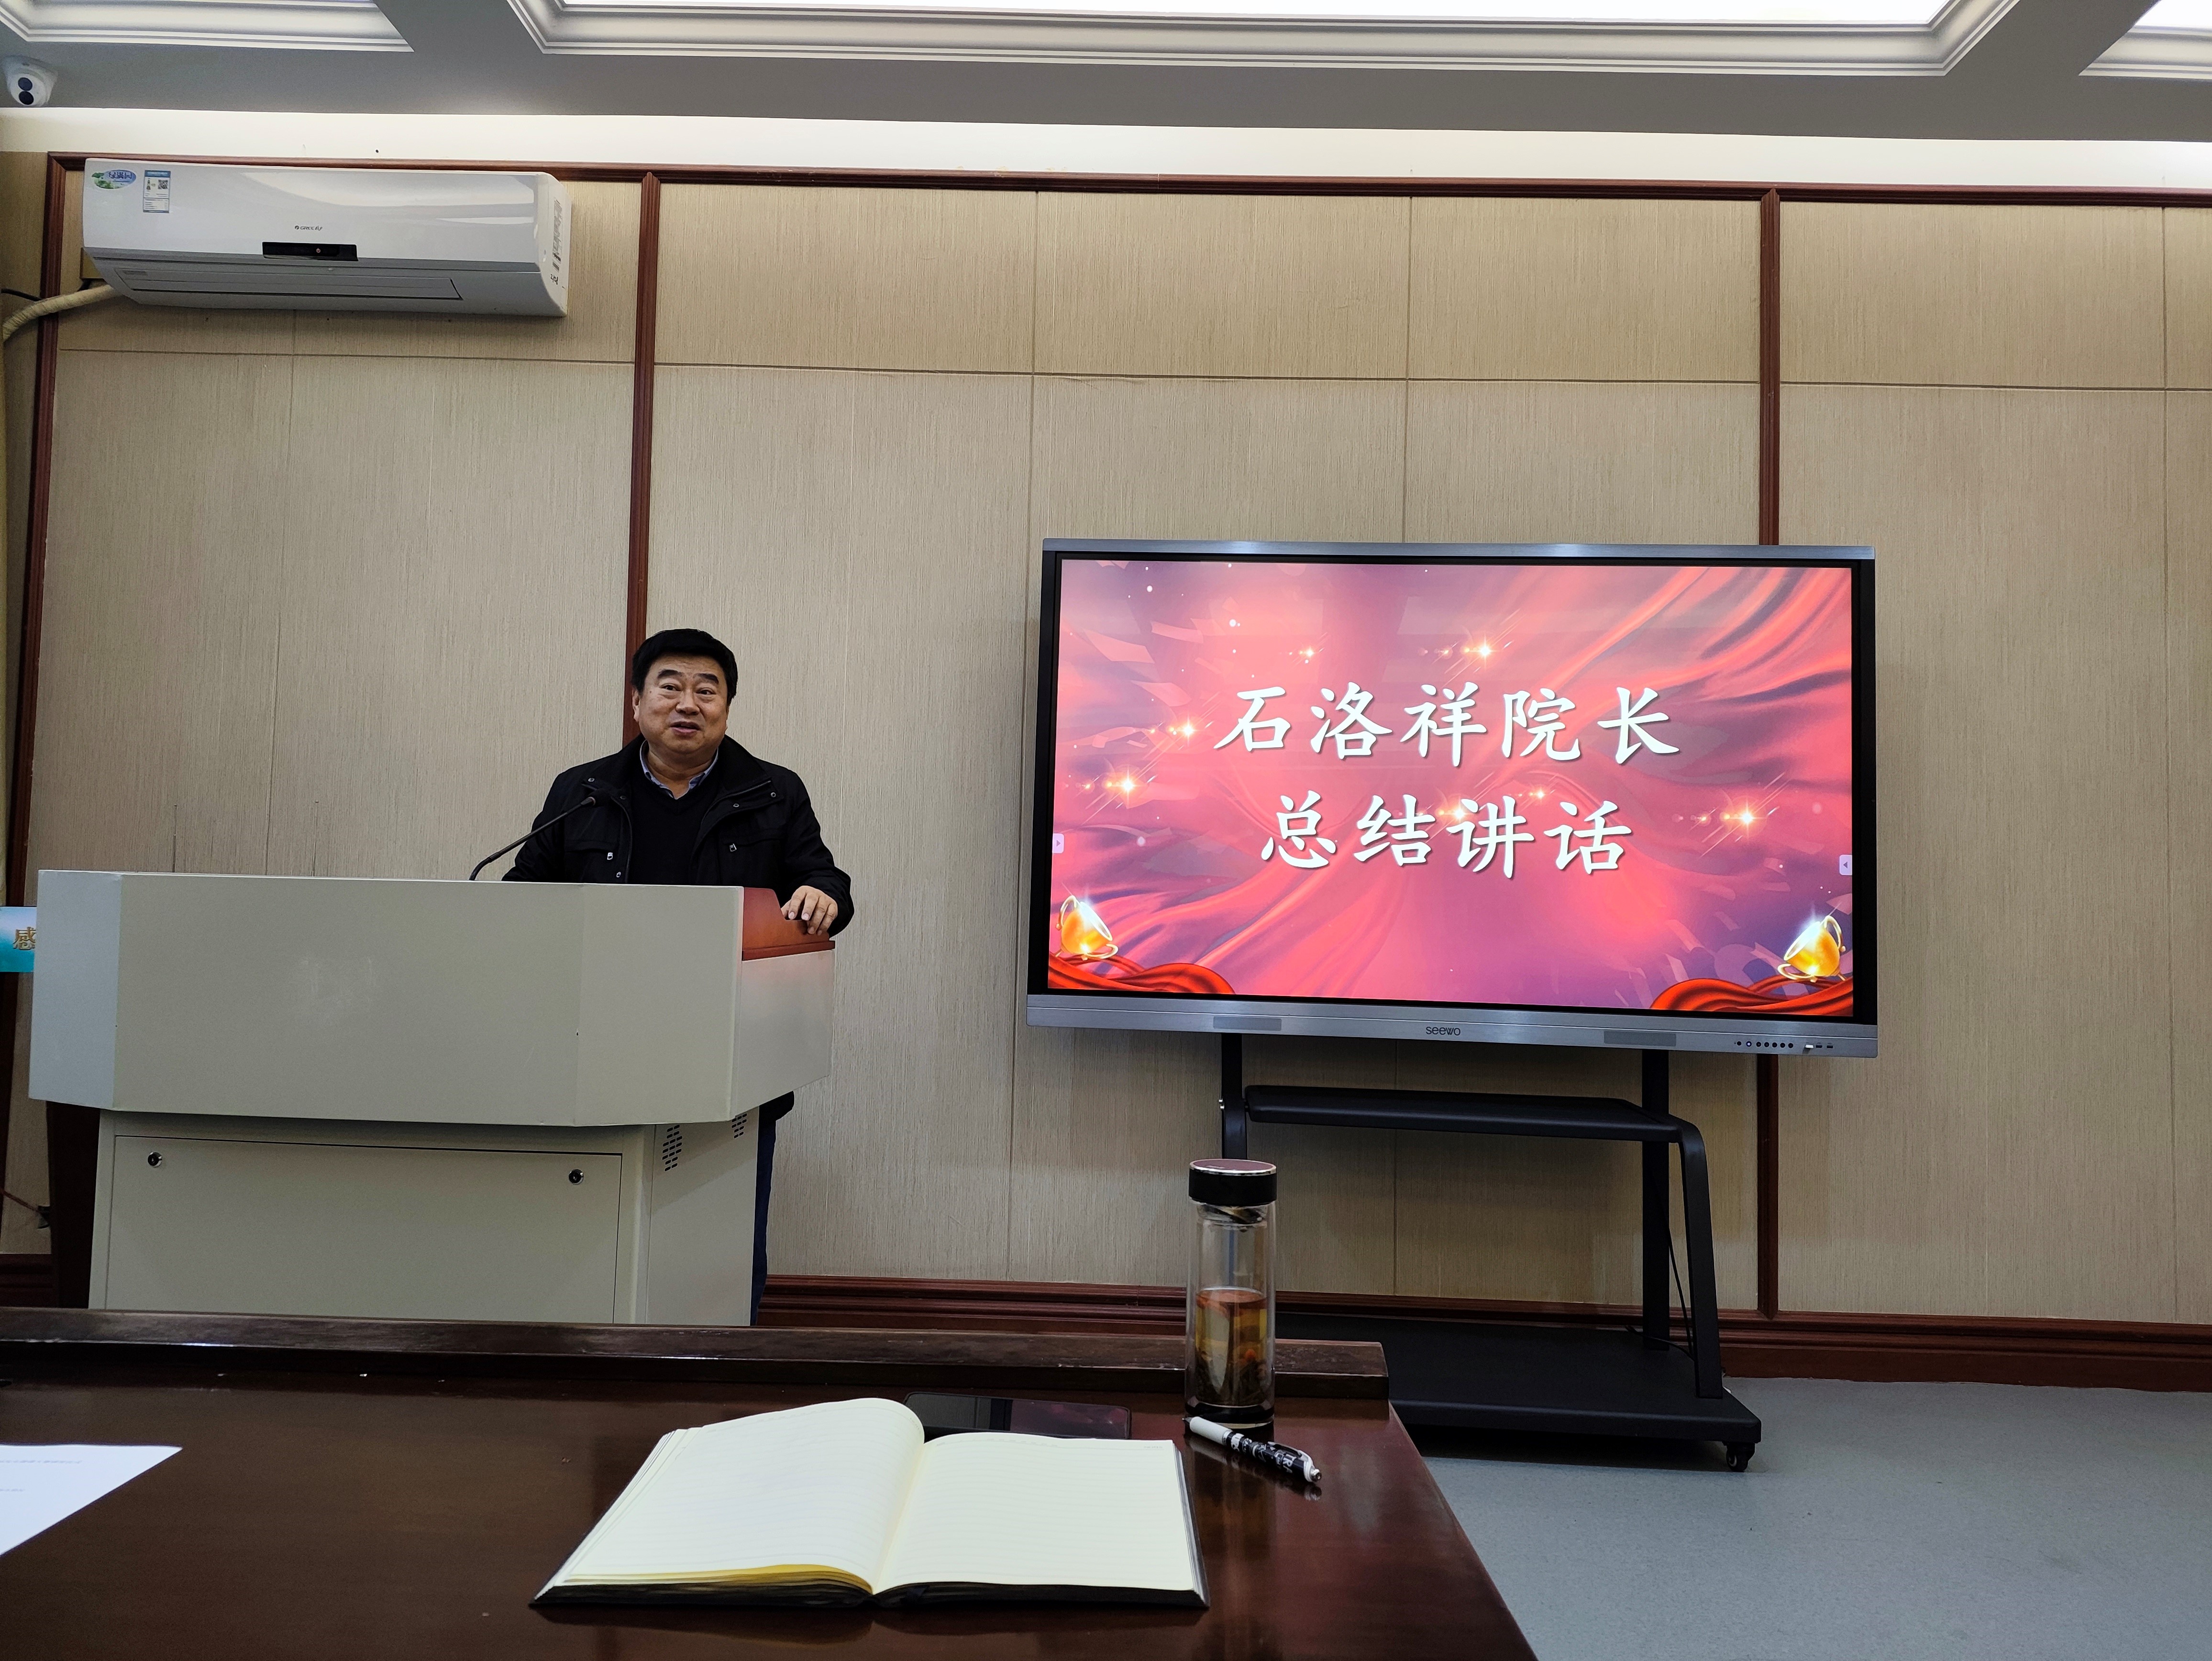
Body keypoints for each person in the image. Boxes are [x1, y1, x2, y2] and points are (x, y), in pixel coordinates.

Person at [507, 627, 853, 1323]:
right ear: (637, 701)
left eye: (707, 689)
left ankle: (719, 1355)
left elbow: (824, 881)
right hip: (594, 1048)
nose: (688, 703)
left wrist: (823, 897)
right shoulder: (583, 791)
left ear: (727, 706)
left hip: (727, 1055)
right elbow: (525, 893)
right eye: (670, 686)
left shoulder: (773, 792)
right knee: (593, 1226)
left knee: (717, 1239)